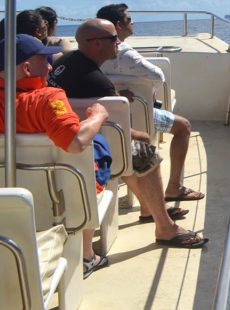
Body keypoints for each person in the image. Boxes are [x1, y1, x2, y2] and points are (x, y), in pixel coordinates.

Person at [51, 19, 208, 249]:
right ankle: (164, 227)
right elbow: (119, 132)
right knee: (142, 150)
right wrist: (143, 136)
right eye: (113, 39)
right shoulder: (97, 82)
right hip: (88, 147)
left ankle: (148, 208)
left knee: (126, 148)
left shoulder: (62, 62)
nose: (118, 43)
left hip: (58, 142)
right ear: (95, 44)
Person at [0, 34, 111, 277]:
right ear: (27, 68)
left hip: (7, 198)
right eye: (44, 60)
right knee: (98, 149)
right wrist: (98, 116)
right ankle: (87, 256)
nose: (50, 66)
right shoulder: (48, 98)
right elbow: (75, 142)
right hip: (58, 201)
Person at [95, 3, 205, 202]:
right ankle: (174, 187)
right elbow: (157, 76)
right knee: (183, 126)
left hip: (104, 121)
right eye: (129, 19)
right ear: (118, 26)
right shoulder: (125, 54)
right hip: (138, 118)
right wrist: (148, 96)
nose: (133, 22)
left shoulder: (91, 53)